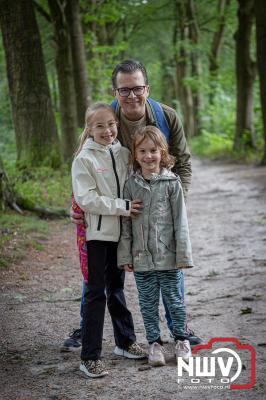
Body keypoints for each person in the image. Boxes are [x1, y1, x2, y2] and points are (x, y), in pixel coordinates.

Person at [65, 59, 202, 350]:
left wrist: (178, 201)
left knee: (169, 265)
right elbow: (83, 163)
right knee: (100, 267)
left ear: (146, 88)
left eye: (137, 88)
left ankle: (179, 328)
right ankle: (85, 327)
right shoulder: (105, 120)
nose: (131, 96)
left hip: (161, 206)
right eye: (124, 90)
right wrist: (77, 205)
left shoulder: (166, 116)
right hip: (118, 208)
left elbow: (184, 161)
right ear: (116, 92)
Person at [71, 102, 146, 378]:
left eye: (111, 124)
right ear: (89, 129)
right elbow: (86, 199)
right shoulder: (84, 159)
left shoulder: (124, 153)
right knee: (95, 293)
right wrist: (123, 207)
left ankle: (125, 342)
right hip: (96, 237)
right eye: (100, 126)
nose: (107, 130)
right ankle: (89, 357)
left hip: (120, 236)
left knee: (116, 288)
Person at [118, 126, 193, 366]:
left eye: (153, 150)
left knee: (174, 299)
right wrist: (125, 255)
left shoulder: (172, 183)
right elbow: (126, 223)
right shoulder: (131, 185)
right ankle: (154, 344)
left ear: (162, 152)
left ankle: (181, 340)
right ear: (135, 155)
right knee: (147, 302)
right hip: (142, 258)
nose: (148, 156)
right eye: (142, 151)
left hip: (169, 257)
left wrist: (183, 255)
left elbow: (181, 221)